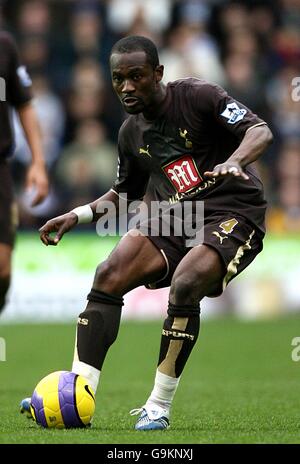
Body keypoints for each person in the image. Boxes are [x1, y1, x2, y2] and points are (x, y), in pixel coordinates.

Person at [21, 35, 273, 430]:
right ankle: (76, 392)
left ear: (158, 73)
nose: (127, 87)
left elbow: (259, 131)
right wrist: (79, 214)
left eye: (136, 76)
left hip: (233, 212)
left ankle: (158, 405)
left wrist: (235, 160)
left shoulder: (200, 96)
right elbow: (124, 193)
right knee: (109, 274)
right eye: (118, 79)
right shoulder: (130, 133)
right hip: (173, 219)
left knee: (187, 283)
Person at [0, 31, 49, 314]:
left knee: (2, 269)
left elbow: (25, 105)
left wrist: (38, 163)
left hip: (0, 171)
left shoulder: (5, 45)